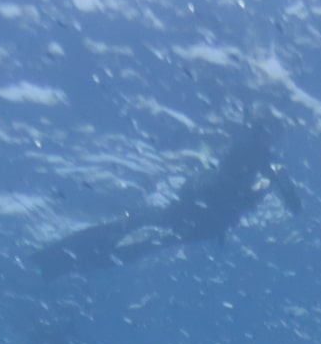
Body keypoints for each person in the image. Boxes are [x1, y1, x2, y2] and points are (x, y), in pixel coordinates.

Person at [34, 113, 300, 278]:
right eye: (267, 134)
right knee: (147, 241)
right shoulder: (254, 157)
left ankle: (64, 262)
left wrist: (271, 181)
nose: (267, 140)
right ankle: (67, 265)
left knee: (139, 228)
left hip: (200, 213)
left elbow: (223, 174)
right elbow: (290, 202)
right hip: (206, 218)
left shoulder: (250, 155)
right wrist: (273, 180)